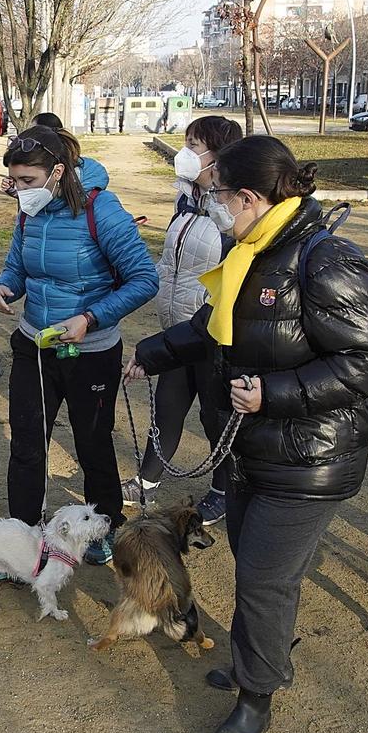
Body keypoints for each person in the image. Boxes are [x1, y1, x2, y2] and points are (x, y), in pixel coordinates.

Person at [128, 135, 368, 733]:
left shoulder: (325, 260)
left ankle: (256, 697)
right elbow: (214, 326)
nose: (212, 205)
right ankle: (257, 660)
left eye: (217, 194)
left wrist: (273, 394)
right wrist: (149, 354)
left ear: (248, 196)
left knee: (266, 581)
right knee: (256, 568)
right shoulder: (253, 249)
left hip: (309, 456)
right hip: (256, 447)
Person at [0, 123, 157, 565]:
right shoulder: (29, 210)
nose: (19, 190)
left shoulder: (103, 210)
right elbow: (16, 266)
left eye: (27, 181)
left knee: (92, 443)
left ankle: (104, 527)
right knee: (25, 443)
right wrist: (5, 286)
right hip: (34, 344)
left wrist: (89, 318)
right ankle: (22, 537)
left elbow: (144, 279)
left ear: (58, 171)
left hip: (91, 352)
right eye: (15, 181)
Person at [130, 113, 243, 524]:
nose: (185, 154)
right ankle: (146, 480)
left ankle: (222, 490)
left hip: (213, 334)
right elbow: (169, 264)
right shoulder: (185, 202)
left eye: (193, 146)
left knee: (216, 418)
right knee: (166, 408)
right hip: (177, 328)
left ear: (218, 156)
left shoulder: (234, 213)